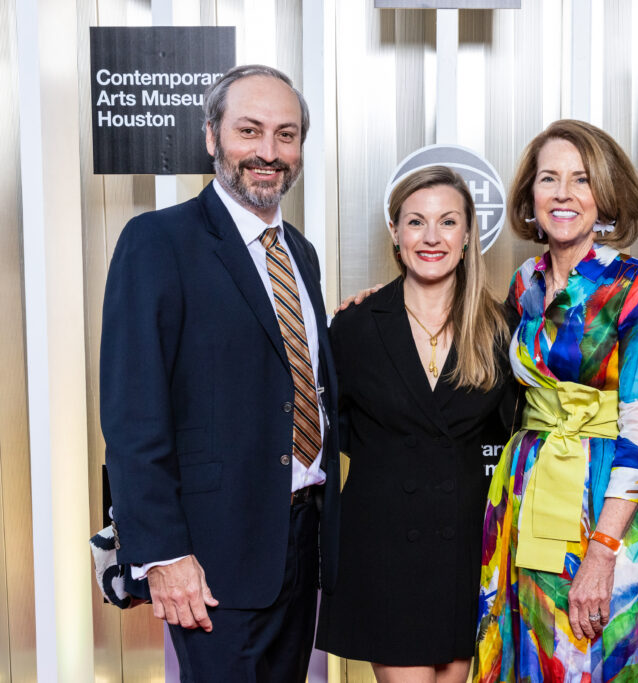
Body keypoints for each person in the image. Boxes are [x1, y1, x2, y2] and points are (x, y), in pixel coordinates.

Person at [100, 64, 340, 681]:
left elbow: (293, 380)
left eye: (286, 135)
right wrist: (163, 554)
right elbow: (133, 415)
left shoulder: (300, 253)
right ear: (212, 137)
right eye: (250, 131)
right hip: (210, 553)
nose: (269, 152)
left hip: (301, 540)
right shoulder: (158, 241)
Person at [476, 119, 638, 683]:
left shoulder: (636, 285)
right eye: (549, 179)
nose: (563, 194)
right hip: (528, 488)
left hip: (605, 498)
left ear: (604, 195)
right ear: (529, 196)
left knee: (599, 653)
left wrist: (604, 550)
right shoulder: (524, 282)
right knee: (532, 654)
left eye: (581, 180)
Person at [316, 166, 511, 683]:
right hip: (387, 549)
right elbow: (335, 429)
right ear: (396, 235)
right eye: (415, 222)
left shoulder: (498, 329)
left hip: (468, 549)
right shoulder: (355, 326)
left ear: (468, 235)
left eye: (447, 222)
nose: (431, 237)